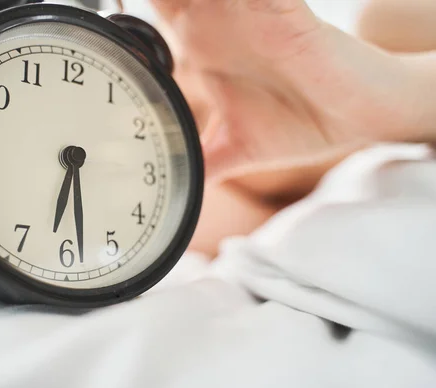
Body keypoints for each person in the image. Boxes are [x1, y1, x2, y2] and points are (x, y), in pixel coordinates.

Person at [148, 0, 436, 255]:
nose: (208, 94)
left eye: (183, 65)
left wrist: (407, 96)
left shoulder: (390, 25)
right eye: (194, 120)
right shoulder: (271, 225)